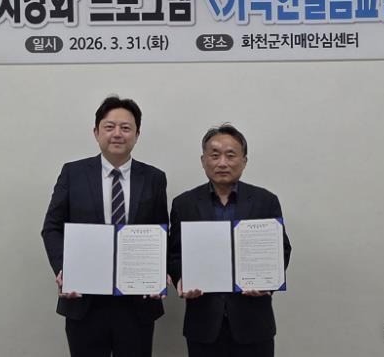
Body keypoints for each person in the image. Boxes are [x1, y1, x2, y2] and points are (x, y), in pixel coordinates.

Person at [42, 96, 168, 357]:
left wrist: (159, 272)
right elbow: (52, 227)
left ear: (137, 134)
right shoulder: (73, 173)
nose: (117, 134)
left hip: (136, 303)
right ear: (96, 132)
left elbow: (160, 231)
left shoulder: (154, 178)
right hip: (84, 300)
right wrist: (64, 269)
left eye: (126, 128)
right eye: (109, 127)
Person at [167, 124, 292, 357]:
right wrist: (181, 279)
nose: (222, 163)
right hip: (203, 322)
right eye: (214, 155)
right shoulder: (184, 204)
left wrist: (267, 282)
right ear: (203, 161)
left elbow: (281, 250)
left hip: (254, 322)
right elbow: (174, 254)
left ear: (244, 161)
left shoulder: (265, 201)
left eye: (230, 155)